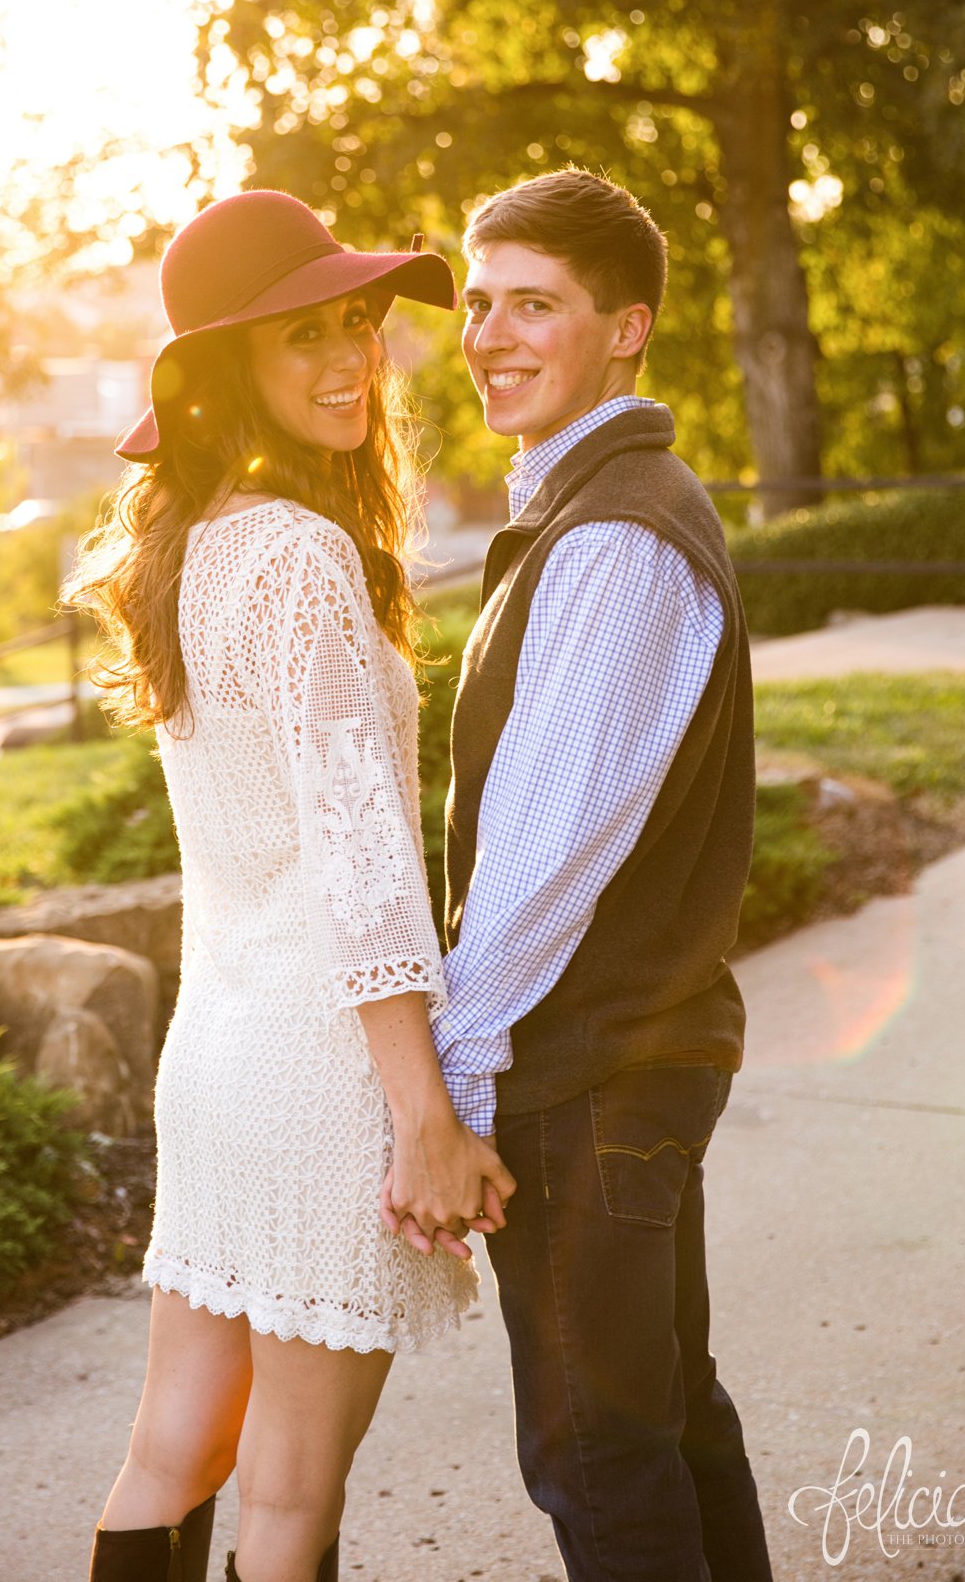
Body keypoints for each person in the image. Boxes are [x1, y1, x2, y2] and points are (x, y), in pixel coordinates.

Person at [64, 189, 515, 1582]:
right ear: (227, 377)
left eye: (357, 327)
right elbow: (362, 869)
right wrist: (423, 1117)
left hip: (218, 1063)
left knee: (170, 1452)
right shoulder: (304, 562)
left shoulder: (190, 554)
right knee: (284, 1499)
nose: (346, 364)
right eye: (298, 340)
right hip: (319, 1078)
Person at [390, 167, 774, 1581]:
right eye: (481, 303)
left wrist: (450, 1093)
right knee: (664, 1419)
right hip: (621, 1059)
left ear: (626, 328)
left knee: (596, 1454)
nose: (490, 333)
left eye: (532, 304)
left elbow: (547, 859)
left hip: (585, 1072)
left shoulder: (615, 534)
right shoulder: (594, 508)